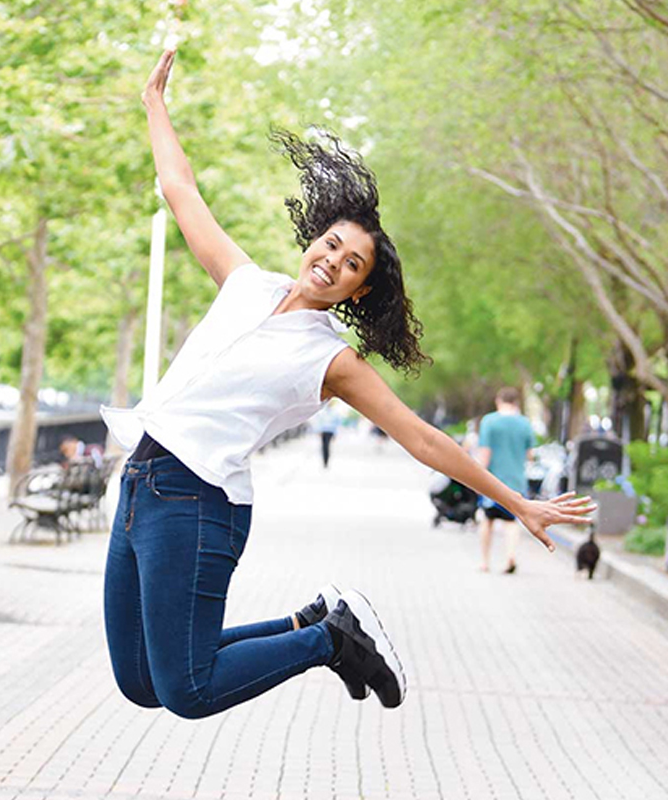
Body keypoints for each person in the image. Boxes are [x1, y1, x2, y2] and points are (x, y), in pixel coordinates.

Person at [100, 49, 595, 720]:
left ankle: (328, 642)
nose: (332, 261)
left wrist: (518, 503)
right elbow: (181, 190)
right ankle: (317, 623)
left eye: (352, 262)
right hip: (141, 483)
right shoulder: (246, 283)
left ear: (361, 289)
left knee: (187, 691)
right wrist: (155, 106)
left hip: (197, 503)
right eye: (331, 245)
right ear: (313, 240)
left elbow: (421, 438)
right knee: (141, 682)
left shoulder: (333, 361)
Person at [476, 387, 536, 574]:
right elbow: (530, 454)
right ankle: (510, 556)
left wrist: (478, 478)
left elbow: (485, 453)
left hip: (492, 481)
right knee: (511, 522)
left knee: (488, 520)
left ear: (498, 400)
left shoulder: (489, 422)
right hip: (516, 481)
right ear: (516, 402)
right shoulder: (525, 423)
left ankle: (485, 561)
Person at [311, 401, 341, 467]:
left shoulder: (335, 412)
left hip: (330, 431)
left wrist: (335, 433)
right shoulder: (322, 412)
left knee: (327, 446)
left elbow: (337, 423)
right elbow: (319, 421)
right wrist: (318, 430)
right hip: (323, 431)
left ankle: (326, 460)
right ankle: (324, 460)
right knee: (324, 446)